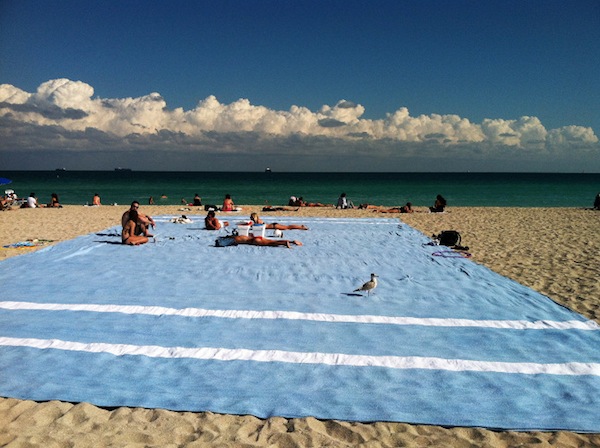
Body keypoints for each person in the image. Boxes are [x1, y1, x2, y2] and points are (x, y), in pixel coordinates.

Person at [220, 234, 302, 248]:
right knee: (271, 241)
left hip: (254, 241)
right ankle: (291, 241)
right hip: (256, 238)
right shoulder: (240, 236)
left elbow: (225, 243)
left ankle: (284, 243)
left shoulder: (234, 240)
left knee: (271, 243)